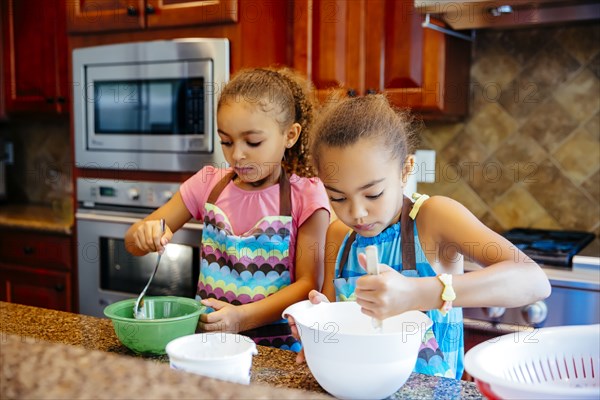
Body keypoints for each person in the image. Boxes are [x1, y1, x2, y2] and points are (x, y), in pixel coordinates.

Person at [288, 94, 551, 379]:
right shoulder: (340, 235)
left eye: (373, 194)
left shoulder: (433, 218)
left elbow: (533, 281)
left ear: (405, 170)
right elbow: (337, 317)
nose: (357, 213)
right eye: (337, 197)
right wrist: (318, 328)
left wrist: (417, 293)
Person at [125, 68, 331, 352]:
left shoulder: (306, 196)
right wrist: (144, 234)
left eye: (253, 142)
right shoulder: (207, 184)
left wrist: (240, 319)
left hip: (276, 353)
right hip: (210, 347)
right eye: (226, 141)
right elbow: (133, 243)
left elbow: (309, 284)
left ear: (290, 135)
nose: (237, 154)